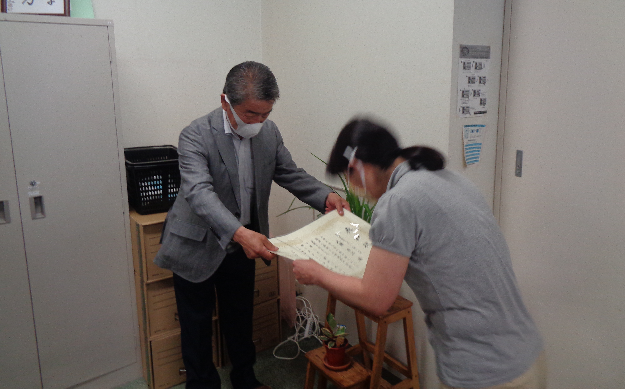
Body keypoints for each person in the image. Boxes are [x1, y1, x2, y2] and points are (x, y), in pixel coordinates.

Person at [293, 118, 546, 389]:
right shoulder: (446, 178)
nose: (358, 189)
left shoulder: (398, 201)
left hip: (483, 369)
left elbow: (376, 299)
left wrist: (317, 274)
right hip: (525, 354)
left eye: (350, 178)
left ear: (356, 166)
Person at [155, 61, 349, 389]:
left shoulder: (268, 133)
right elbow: (199, 193)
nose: (258, 122)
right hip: (196, 242)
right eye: (250, 114)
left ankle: (245, 380)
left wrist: (325, 196)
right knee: (196, 326)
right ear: (225, 102)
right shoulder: (195, 134)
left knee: (240, 317)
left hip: (243, 243)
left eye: (265, 114)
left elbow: (289, 172)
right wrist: (240, 233)